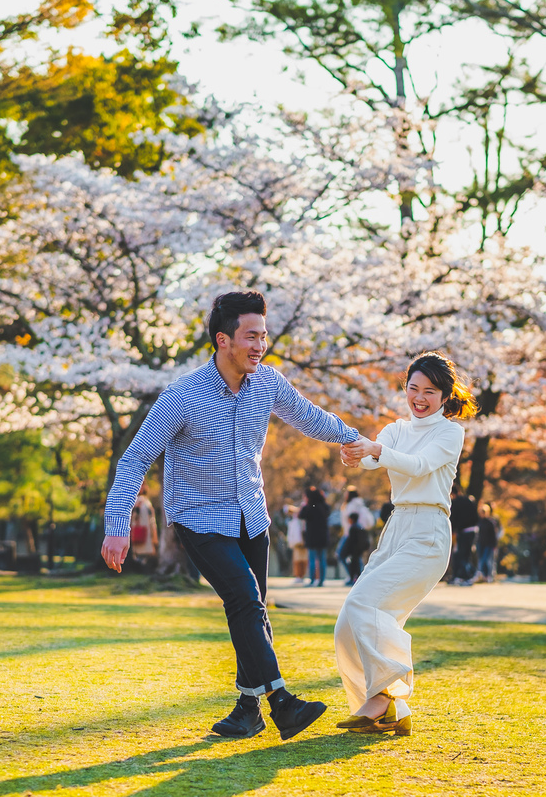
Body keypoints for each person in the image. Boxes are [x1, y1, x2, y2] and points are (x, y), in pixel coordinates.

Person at [101, 291, 359, 741]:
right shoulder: (182, 397)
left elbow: (309, 417)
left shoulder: (268, 384)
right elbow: (135, 459)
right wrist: (117, 527)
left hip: (250, 515)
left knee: (252, 610)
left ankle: (247, 709)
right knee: (244, 598)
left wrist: (352, 438)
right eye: (250, 336)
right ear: (223, 340)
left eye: (263, 335)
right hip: (198, 517)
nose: (260, 344)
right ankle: (282, 702)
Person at [334, 352, 477, 736]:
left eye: (429, 391)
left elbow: (416, 465)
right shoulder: (396, 429)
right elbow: (371, 458)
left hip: (429, 532)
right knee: (349, 619)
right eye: (413, 388)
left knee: (367, 604)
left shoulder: (450, 433)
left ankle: (385, 695)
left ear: (445, 396)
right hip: (396, 528)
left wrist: (374, 451)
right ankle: (388, 708)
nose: (420, 397)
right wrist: (354, 453)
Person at [449, 483, 479, 585]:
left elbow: (453, 520)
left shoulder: (455, 503)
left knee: (461, 555)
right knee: (466, 554)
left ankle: (470, 574)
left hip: (463, 531)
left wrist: (453, 531)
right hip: (473, 530)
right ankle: (465, 575)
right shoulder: (469, 501)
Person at [300, 487, 330, 587]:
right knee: (322, 559)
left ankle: (312, 579)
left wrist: (304, 504)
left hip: (312, 536)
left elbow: (301, 515)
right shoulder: (324, 507)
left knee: (312, 558)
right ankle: (321, 580)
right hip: (322, 536)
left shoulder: (309, 507)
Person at [129, 484, 160, 571]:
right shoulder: (136, 501)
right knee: (139, 553)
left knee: (146, 553)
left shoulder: (146, 501)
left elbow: (151, 519)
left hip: (146, 532)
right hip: (139, 532)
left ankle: (144, 569)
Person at [474, 502, 502, 583]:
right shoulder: (479, 522)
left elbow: (494, 535)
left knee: (486, 560)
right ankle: (482, 576)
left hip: (488, 544)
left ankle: (488, 576)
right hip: (480, 544)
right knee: (481, 560)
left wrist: (494, 545)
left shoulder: (490, 522)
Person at [340, 511, 369, 586]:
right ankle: (357, 578)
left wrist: (347, 551)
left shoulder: (353, 528)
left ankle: (354, 579)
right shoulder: (359, 526)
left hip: (354, 551)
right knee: (357, 565)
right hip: (359, 550)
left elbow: (351, 541)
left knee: (354, 565)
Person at [285, 505, 308, 583]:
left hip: (302, 542)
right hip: (297, 542)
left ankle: (301, 576)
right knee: (297, 560)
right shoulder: (294, 521)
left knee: (303, 560)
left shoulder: (302, 521)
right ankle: (298, 575)